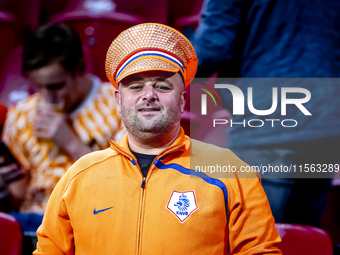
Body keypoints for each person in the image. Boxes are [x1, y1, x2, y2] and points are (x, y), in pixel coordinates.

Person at [33, 23, 281, 254]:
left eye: (162, 86)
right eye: (135, 86)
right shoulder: (79, 176)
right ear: (118, 100)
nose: (148, 95)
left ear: (183, 100)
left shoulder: (230, 171)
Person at [189, 0, 340, 228]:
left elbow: (213, 45)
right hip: (326, 117)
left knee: (254, 239)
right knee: (306, 241)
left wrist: (163, 72)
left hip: (265, 120)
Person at [1, 22, 125, 232]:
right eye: (38, 86)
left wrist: (70, 142)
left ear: (80, 67)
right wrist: (4, 187)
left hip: (91, 219)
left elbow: (124, 186)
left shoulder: (118, 106)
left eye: (56, 86)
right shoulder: (21, 114)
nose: (46, 96)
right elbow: (18, 195)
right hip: (30, 222)